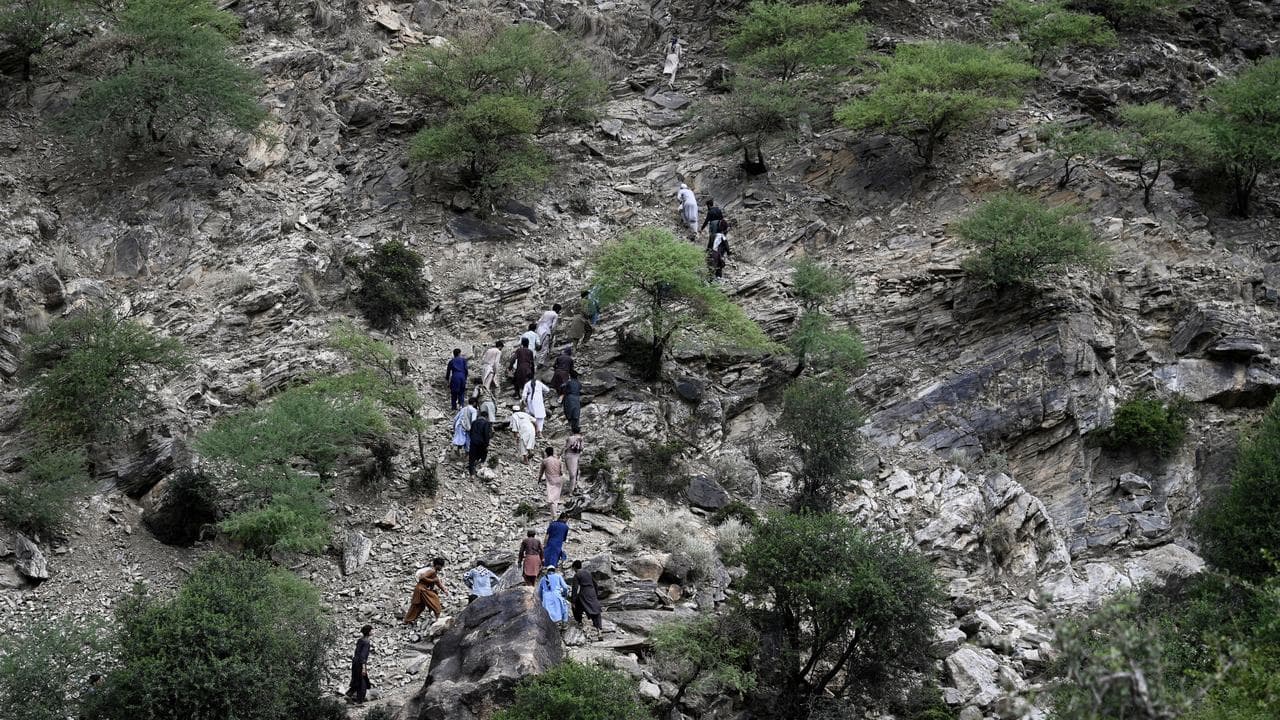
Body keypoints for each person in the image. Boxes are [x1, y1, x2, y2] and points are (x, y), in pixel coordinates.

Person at [403, 558, 447, 624]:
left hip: (422, 589)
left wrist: (444, 590)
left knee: (419, 606)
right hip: (422, 589)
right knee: (434, 600)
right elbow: (422, 577)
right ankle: (437, 618)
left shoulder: (434, 572)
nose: (441, 568)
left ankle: (408, 620)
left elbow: (438, 583)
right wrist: (432, 581)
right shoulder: (432, 571)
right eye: (441, 566)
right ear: (437, 565)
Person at [571, 560, 603, 633]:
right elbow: (595, 584)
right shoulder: (588, 572)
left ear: (574, 567)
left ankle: (579, 621)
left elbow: (575, 588)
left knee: (576, 606)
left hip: (584, 593)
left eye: (573, 569)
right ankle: (599, 629)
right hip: (592, 593)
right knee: (595, 610)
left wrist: (573, 601)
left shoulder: (577, 575)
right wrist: (596, 595)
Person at [347, 625, 373, 703]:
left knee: (356, 680)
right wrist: (364, 668)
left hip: (355, 662)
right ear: (368, 632)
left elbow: (356, 653)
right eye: (371, 630)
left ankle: (349, 694)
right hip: (360, 664)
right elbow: (363, 656)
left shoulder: (360, 640)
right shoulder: (366, 642)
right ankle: (359, 701)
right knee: (362, 683)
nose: (372, 632)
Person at [537, 446, 565, 517]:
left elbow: (541, 472)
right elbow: (562, 472)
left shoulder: (545, 461)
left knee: (551, 498)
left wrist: (539, 480)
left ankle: (554, 515)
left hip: (550, 481)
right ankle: (555, 512)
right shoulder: (558, 460)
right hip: (559, 480)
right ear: (553, 452)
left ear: (546, 453)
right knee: (556, 498)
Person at [467, 407, 493, 476]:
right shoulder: (486, 423)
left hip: (473, 442)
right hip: (481, 443)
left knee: (471, 458)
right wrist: (486, 445)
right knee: (484, 453)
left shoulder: (474, 422)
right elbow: (486, 434)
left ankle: (471, 474)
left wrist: (472, 439)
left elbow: (471, 432)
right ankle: (481, 465)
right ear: (486, 416)